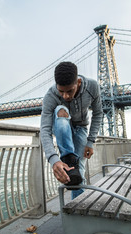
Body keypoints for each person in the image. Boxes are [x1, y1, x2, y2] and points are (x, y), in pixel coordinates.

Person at [40, 61, 103, 199]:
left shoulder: (92, 87)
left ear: (78, 82)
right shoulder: (50, 96)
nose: (66, 96)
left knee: (78, 172)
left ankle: (78, 206)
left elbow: (98, 113)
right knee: (60, 109)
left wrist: (90, 142)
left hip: (81, 128)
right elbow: (44, 129)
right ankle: (68, 158)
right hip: (61, 126)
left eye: (70, 91)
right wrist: (54, 159)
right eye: (61, 91)